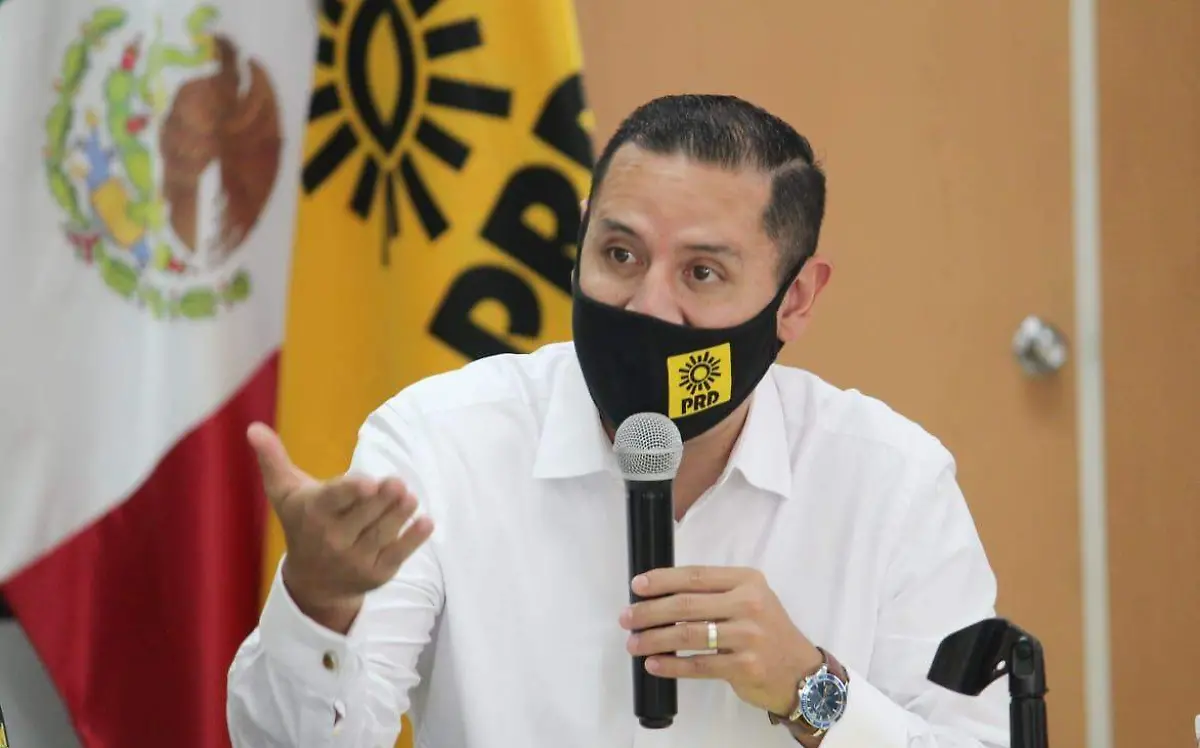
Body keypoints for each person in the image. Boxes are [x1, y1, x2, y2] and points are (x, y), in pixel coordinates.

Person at [226, 94, 1008, 747]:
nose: (646, 307)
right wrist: (319, 604)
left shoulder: (890, 482)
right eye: (621, 256)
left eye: (702, 273)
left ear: (795, 300)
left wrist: (807, 687)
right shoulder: (442, 443)